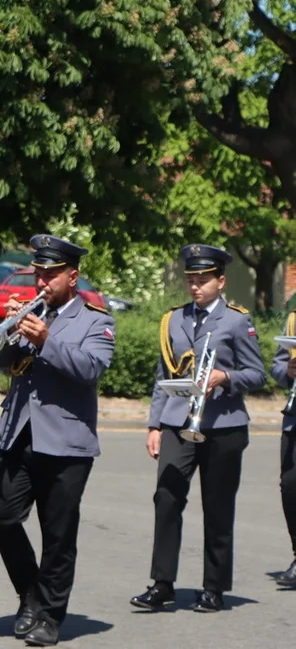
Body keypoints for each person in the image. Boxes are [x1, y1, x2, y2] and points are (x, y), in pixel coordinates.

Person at [0, 234, 115, 647]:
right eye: (39, 272)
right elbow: (0, 359)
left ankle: (50, 616)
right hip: (18, 434)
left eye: (51, 274)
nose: (42, 281)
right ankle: (30, 594)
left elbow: (91, 367)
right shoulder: (32, 312)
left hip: (66, 442)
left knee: (58, 536)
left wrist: (46, 340)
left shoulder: (97, 319)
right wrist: (3, 335)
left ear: (72, 276)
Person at [130, 244, 266, 613]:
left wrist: (225, 377)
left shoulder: (237, 320)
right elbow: (163, 376)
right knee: (167, 498)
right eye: (191, 280)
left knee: (218, 507)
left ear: (220, 281)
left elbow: (257, 373)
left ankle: (214, 588)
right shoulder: (173, 319)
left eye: (203, 280)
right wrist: (154, 425)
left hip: (223, 424)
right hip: (178, 420)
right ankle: (162, 584)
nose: (195, 286)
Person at [270, 310, 296, 587]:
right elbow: (276, 365)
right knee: (290, 486)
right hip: (295, 419)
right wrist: (287, 371)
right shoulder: (293, 320)